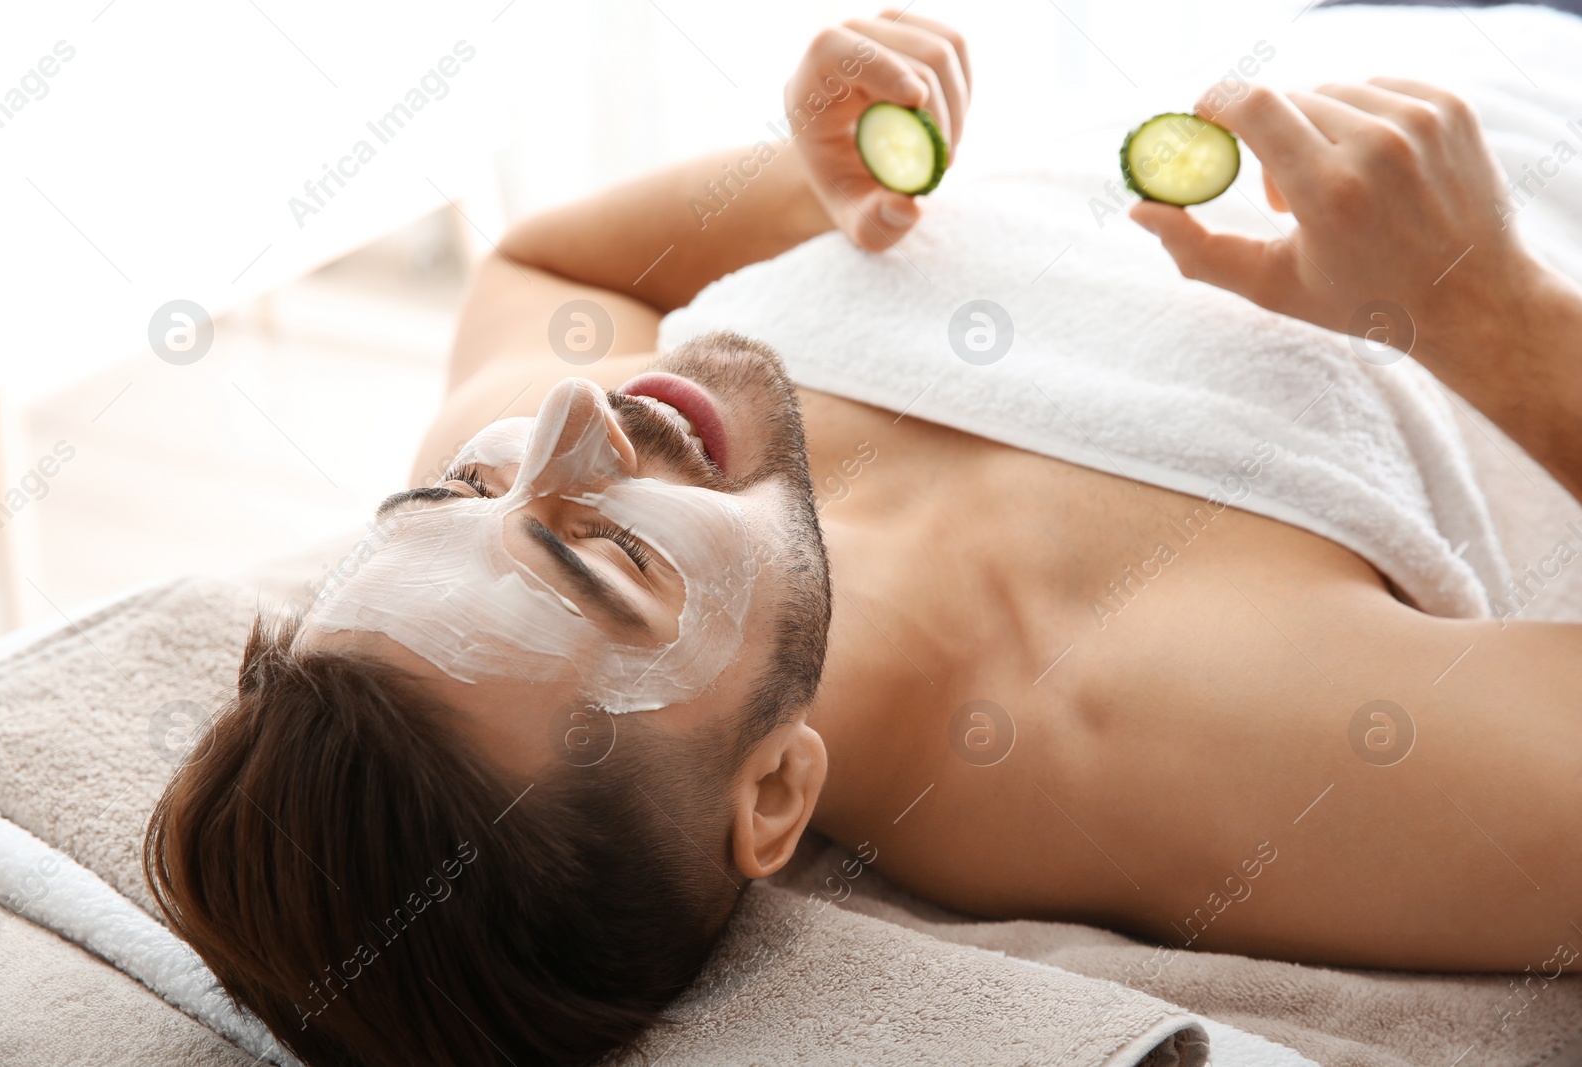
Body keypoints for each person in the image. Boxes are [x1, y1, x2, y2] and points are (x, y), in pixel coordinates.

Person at [145, 10, 1582, 1067]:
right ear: (773, 796)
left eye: (451, 494)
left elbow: (550, 265)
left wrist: (811, 179)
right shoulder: (1148, 726)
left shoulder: (488, 564)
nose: (574, 419)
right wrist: (1485, 309)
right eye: (608, 560)